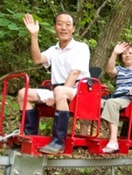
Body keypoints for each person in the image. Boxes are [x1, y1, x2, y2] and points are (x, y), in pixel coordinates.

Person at [17, 12, 90, 154]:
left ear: (73, 29)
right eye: (60, 24)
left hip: (79, 91)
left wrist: (57, 95)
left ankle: (58, 141)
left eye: (68, 24)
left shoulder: (81, 47)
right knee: (23, 93)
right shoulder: (53, 50)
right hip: (58, 90)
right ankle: (30, 135)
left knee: (59, 91)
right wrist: (34, 36)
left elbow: (75, 73)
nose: (64, 28)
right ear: (54, 27)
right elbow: (38, 59)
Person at [101, 42, 132, 153]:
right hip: (117, 97)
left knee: (111, 103)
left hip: (130, 99)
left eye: (130, 53)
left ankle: (113, 142)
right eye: (124, 54)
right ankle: (83, 135)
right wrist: (114, 53)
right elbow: (109, 71)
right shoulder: (119, 69)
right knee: (93, 102)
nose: (127, 55)